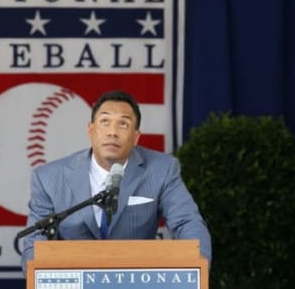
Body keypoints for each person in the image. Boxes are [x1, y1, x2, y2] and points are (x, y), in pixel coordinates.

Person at [20, 90, 211, 274]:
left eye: (123, 124)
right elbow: (35, 243)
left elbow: (187, 222)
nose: (112, 132)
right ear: (91, 130)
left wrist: (195, 272)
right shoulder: (48, 178)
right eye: (105, 122)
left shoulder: (161, 170)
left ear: (136, 137)